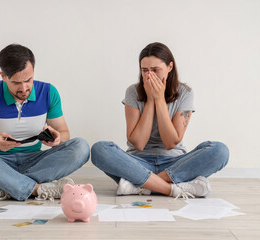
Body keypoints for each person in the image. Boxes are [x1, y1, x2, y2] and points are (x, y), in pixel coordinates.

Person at [91, 42, 229, 199]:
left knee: (220, 151)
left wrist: (160, 100)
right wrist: (150, 100)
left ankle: (142, 185)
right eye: (145, 70)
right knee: (99, 149)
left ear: (170, 67)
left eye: (155, 70)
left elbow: (171, 143)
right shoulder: (132, 92)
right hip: (137, 163)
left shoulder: (185, 93)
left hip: (175, 163)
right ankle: (171, 188)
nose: (149, 75)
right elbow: (138, 143)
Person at [0, 44, 90, 202]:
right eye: (16, 83)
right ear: (3, 76)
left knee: (81, 147)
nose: (24, 88)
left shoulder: (48, 92)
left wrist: (57, 139)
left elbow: (64, 133)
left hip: (36, 162)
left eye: (28, 80)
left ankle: (3, 188)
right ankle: (36, 189)